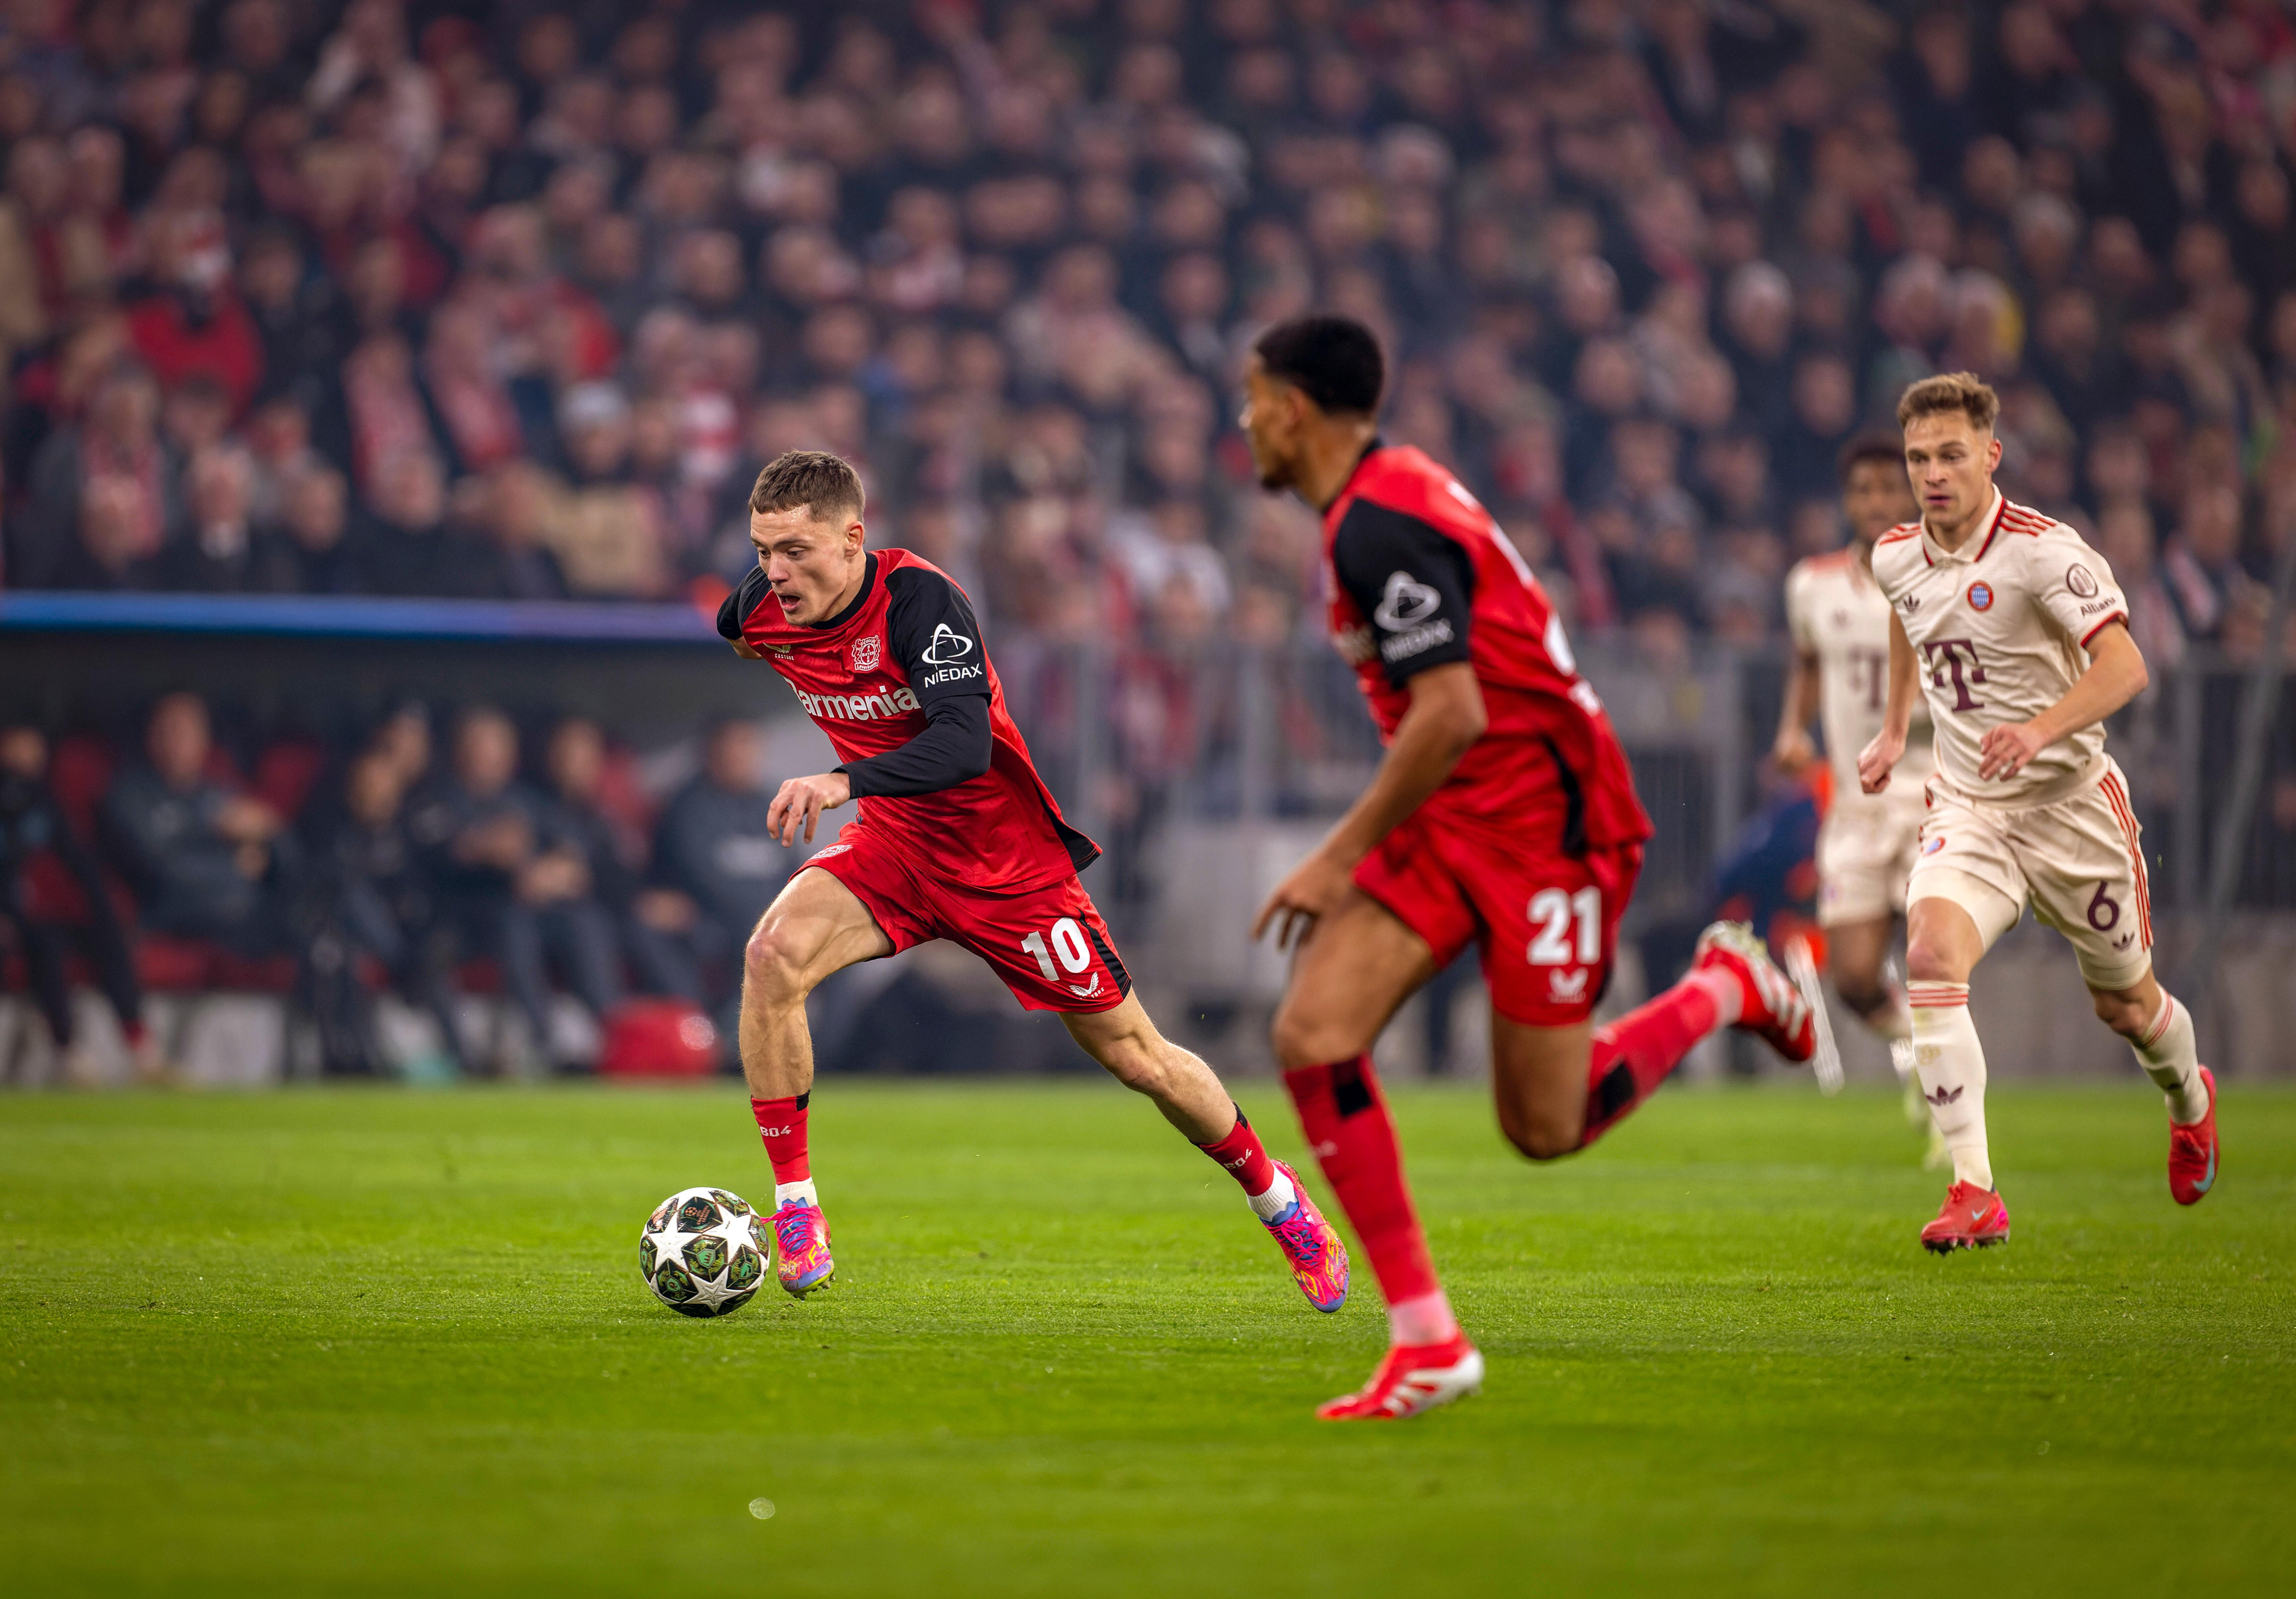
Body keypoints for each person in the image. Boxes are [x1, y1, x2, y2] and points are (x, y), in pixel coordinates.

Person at [1237, 314, 1815, 1421]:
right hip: (1459, 814)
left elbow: (1450, 710)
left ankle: (1724, 987)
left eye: (1253, 399)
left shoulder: (1376, 523)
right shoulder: (1385, 497)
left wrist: (1336, 855)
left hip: (1550, 821)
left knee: (1545, 1128)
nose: (1245, 423)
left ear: (1293, 408)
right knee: (1311, 1032)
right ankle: (1428, 1341)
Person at [715, 449, 1347, 1313]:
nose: (776, 573)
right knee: (771, 956)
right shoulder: (757, 610)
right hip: (897, 850)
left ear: (854, 537)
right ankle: (796, 1211)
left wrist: (840, 779)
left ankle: (1280, 1200)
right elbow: (745, 632)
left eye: (795, 550)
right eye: (763, 551)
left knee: (1139, 1059)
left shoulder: (920, 604)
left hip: (1008, 868)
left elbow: (963, 745)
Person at [1857, 372, 2218, 1252]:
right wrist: (1892, 725)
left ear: (1991, 455)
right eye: (1918, 458)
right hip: (1971, 808)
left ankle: (2190, 1102)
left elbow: (2126, 666)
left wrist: (2039, 727)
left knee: (2127, 1007)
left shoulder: (2043, 551)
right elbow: (1908, 616)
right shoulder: (1895, 553)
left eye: (1950, 455)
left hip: (2071, 812)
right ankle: (1974, 1188)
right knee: (1931, 954)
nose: (1933, 473)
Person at [1774, 433, 1946, 1164]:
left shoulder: (1942, 576)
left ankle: (1952, 1119)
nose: (1875, 503)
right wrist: (1790, 727)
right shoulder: (1809, 585)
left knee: (1935, 961)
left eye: (1888, 489)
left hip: (1931, 795)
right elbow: (1808, 660)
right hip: (1852, 804)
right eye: (1862, 491)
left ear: (1909, 496)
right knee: (1849, 977)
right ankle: (1913, 1043)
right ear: (1845, 501)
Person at [0, 725, 159, 1084]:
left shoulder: (42, 805)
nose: (24, 761)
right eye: (16, 750)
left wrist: (112, 917)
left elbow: (82, 866)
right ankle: (69, 1053)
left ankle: (142, 1048)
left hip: (27, 917)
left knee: (102, 934)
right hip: (10, 918)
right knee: (44, 945)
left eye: (33, 752)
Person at [626, 718, 790, 1028]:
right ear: (710, 752)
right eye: (732, 747)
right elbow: (704, 880)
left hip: (771, 923)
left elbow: (800, 871)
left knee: (849, 952)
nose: (740, 756)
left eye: (747, 746)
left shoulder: (774, 804)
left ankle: (829, 1054)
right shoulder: (688, 807)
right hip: (709, 922)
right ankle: (717, 1036)